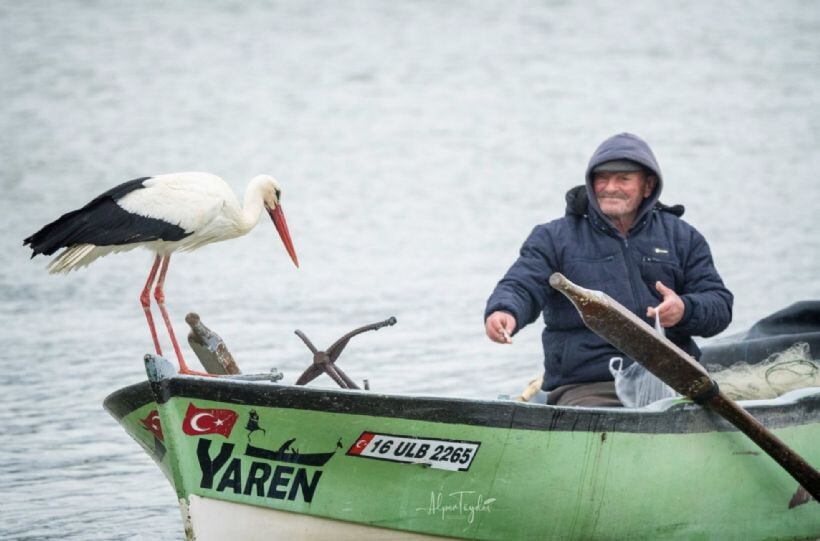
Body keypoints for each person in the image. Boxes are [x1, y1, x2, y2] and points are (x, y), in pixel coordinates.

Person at [484, 132, 733, 407]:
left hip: (676, 382)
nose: (610, 187)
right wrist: (504, 311)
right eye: (602, 178)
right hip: (588, 385)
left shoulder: (683, 237)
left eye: (623, 179)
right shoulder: (553, 238)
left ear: (648, 186)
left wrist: (684, 309)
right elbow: (521, 284)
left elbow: (720, 305)